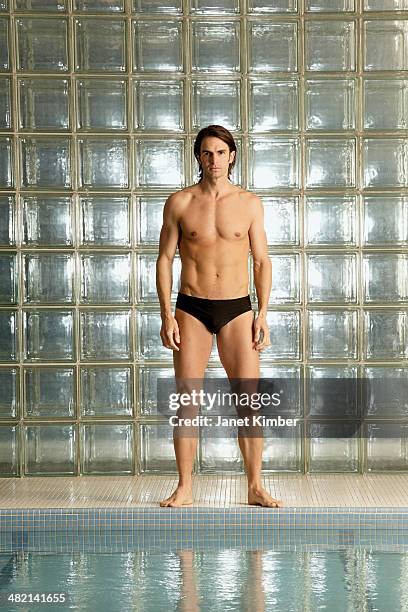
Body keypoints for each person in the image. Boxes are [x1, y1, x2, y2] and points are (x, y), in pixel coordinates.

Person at [156, 125, 283, 508]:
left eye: (221, 153)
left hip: (237, 307)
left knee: (249, 399)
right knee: (187, 398)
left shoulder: (248, 203)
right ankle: (184, 486)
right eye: (207, 153)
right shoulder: (179, 202)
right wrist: (166, 314)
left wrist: (262, 313)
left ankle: (255, 485)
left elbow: (261, 260)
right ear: (198, 156)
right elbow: (164, 260)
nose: (214, 160)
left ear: (232, 156)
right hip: (191, 307)